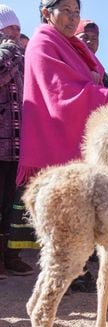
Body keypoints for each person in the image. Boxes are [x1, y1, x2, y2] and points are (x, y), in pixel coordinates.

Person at [14, 0, 108, 290]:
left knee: (78, 209)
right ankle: (67, 270)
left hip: (77, 136)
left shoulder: (72, 45)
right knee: (65, 209)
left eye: (76, 12)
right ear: (47, 12)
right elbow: (60, 92)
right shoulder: (43, 42)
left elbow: (90, 79)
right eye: (66, 11)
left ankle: (76, 267)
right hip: (55, 136)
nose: (73, 18)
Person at [0, 5, 34, 278]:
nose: (16, 34)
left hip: (16, 147)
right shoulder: (9, 54)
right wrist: (12, 49)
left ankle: (9, 257)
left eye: (18, 30)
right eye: (11, 29)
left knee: (11, 204)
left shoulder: (19, 58)